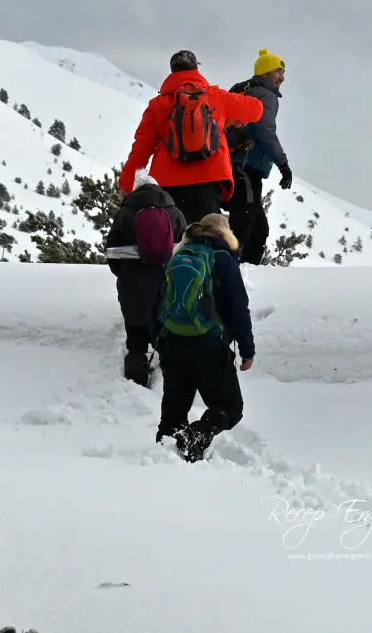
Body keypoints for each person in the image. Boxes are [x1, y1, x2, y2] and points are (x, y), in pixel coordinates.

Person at [150, 213, 255, 463]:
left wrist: (158, 339)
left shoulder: (178, 256)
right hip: (209, 347)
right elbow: (238, 309)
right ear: (225, 233)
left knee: (173, 414)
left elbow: (156, 303)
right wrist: (247, 350)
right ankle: (198, 434)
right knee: (230, 407)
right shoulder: (224, 261)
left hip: (173, 343)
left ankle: (161, 459)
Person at [117, 50, 264, 224]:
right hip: (209, 182)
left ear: (173, 71)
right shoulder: (216, 96)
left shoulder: (157, 105)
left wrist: (126, 186)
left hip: (168, 186)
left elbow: (141, 149)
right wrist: (240, 113)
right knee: (201, 242)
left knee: (172, 244)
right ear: (196, 69)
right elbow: (257, 109)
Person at [104, 176, 188, 387]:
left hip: (133, 283)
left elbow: (112, 251)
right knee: (166, 333)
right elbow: (186, 249)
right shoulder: (175, 213)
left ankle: (135, 379)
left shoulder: (125, 213)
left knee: (136, 337)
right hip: (166, 283)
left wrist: (123, 274)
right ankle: (172, 381)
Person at [224, 48, 293, 264]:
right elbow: (266, 131)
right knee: (243, 232)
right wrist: (283, 164)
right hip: (247, 168)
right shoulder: (266, 95)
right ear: (265, 73)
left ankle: (240, 274)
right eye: (278, 72)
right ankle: (230, 276)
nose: (282, 77)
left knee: (258, 230)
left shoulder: (242, 90)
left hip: (230, 165)